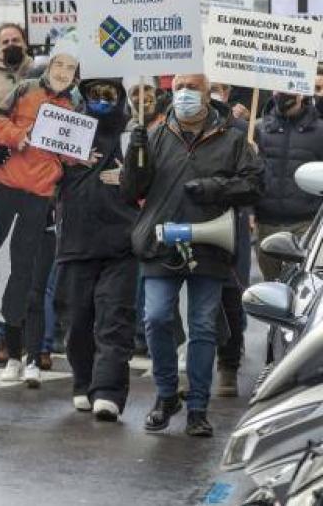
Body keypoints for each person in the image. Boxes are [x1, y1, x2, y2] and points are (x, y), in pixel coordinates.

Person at [121, 73, 263, 437]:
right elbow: (131, 190)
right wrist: (135, 155)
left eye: (193, 88)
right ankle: (167, 395)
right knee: (155, 318)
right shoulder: (153, 133)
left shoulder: (232, 136)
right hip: (161, 241)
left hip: (210, 244)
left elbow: (253, 185)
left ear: (207, 94)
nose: (184, 94)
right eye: (179, 88)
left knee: (202, 327)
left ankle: (198, 407)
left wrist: (215, 188)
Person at [0, 41, 80, 388]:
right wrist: (19, 138)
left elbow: (78, 154)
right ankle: (12, 354)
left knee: (34, 286)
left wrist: (75, 160)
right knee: (4, 278)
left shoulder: (78, 104)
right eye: (57, 66)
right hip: (9, 195)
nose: (62, 73)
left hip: (44, 205)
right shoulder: (23, 91)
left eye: (69, 68)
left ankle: (32, 360)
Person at [55, 78, 139, 421]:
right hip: (76, 242)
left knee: (114, 320)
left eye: (110, 94)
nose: (102, 100)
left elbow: (155, 180)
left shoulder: (134, 134)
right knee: (76, 320)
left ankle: (108, 391)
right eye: (95, 94)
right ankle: (83, 381)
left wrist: (132, 176)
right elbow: (40, 171)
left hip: (122, 244)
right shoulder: (65, 131)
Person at [254, 90, 323, 281]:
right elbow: (250, 174)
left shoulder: (320, 131)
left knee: (305, 281)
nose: (283, 94)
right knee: (271, 284)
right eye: (278, 89)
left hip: (306, 223)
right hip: (268, 222)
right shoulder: (259, 129)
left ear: (302, 93)